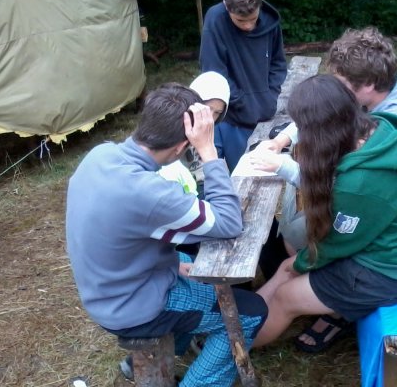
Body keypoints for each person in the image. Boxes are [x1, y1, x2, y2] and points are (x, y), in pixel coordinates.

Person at [65, 82, 267, 387]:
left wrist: (172, 263)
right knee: (251, 312)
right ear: (182, 147)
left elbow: (129, 232)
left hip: (103, 289)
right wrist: (209, 152)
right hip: (133, 307)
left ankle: (151, 359)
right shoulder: (151, 193)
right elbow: (228, 222)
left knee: (189, 260)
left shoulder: (100, 155)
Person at [258, 26, 397, 351]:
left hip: (384, 270)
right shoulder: (379, 126)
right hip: (381, 240)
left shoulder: (359, 182)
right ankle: (233, 326)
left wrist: (302, 263)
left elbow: (337, 244)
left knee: (286, 294)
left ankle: (232, 348)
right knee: (287, 267)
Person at [199, 0, 288, 171]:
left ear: (259, 7)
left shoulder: (270, 21)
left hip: (267, 112)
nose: (248, 26)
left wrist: (271, 95)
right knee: (239, 174)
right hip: (232, 117)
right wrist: (242, 102)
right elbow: (214, 73)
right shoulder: (215, 19)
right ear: (227, 7)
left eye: (253, 19)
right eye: (240, 20)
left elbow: (278, 62)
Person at [159, 71, 231, 199]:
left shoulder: (206, 128)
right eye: (207, 108)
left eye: (217, 112)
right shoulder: (173, 126)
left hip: (200, 183)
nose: (211, 117)